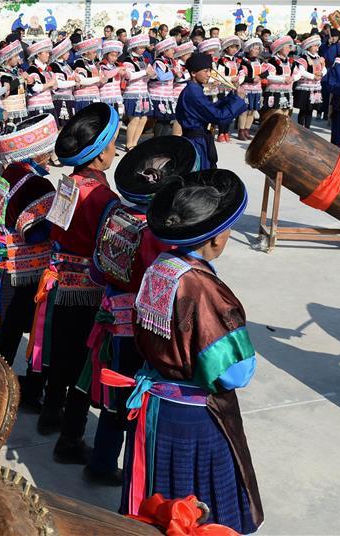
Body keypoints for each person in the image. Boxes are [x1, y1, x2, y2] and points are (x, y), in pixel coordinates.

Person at [110, 168, 264, 534]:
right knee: (199, 508)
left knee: (160, 498)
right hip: (195, 418)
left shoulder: (159, 268)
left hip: (157, 409)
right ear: (214, 240)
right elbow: (235, 372)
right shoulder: (204, 288)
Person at [77, 136, 196, 485]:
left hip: (111, 313)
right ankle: (130, 476)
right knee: (133, 402)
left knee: (115, 399)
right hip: (139, 328)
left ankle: (100, 461)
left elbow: (98, 268)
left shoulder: (115, 213)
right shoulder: (156, 231)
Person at [30, 103, 119, 465]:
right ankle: (70, 437)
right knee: (85, 364)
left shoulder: (67, 184)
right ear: (100, 154)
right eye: (113, 142)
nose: (116, 148)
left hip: (60, 280)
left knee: (61, 351)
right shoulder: (105, 198)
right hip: (90, 288)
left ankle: (51, 412)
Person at [0, 114, 57, 412]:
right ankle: (30, 389)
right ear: (34, 153)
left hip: (8, 264)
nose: (49, 157)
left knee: (11, 328)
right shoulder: (36, 184)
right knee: (36, 330)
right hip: (30, 268)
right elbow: (35, 230)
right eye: (46, 151)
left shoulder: (10, 171)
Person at [175, 53, 246, 169]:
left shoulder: (195, 89)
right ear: (193, 73)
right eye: (205, 71)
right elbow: (218, 117)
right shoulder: (193, 93)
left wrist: (233, 97)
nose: (209, 75)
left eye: (209, 71)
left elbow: (211, 108)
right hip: (196, 143)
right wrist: (238, 100)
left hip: (199, 139)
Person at [123, 34, 155, 150]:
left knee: (144, 118)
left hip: (144, 92)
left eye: (143, 47)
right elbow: (130, 76)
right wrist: (145, 72)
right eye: (140, 47)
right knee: (135, 118)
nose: (143, 50)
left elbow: (150, 74)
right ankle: (129, 143)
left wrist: (151, 75)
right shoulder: (127, 60)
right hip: (132, 92)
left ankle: (135, 143)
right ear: (134, 47)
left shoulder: (145, 59)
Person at [260, 35, 296, 122]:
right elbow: (268, 76)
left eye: (289, 47)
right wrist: (283, 79)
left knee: (285, 114)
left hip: (287, 91)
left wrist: (293, 78)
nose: (289, 49)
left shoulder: (290, 62)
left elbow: (297, 72)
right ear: (280, 48)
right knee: (275, 114)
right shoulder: (272, 61)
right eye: (287, 47)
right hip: (274, 92)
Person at [294, 34, 325, 130]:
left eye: (317, 46)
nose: (317, 48)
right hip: (305, 86)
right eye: (315, 46)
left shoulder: (319, 57)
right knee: (303, 110)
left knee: (310, 110)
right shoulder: (303, 58)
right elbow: (302, 71)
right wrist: (313, 76)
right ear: (309, 47)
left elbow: (324, 69)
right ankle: (300, 129)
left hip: (315, 87)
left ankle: (307, 129)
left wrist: (321, 74)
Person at [214, 36, 242, 142]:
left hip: (234, 88)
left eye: (236, 47)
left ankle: (227, 131)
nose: (234, 50)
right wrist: (231, 79)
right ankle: (221, 132)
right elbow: (219, 75)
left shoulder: (237, 60)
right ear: (226, 48)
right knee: (224, 110)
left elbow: (241, 73)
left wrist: (239, 79)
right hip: (223, 88)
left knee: (231, 110)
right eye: (232, 47)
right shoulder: (221, 60)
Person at [237, 37, 263, 140]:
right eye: (255, 49)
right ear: (249, 49)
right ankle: (241, 130)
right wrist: (252, 80)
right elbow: (242, 75)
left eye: (258, 49)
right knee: (245, 110)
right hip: (246, 88)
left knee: (252, 110)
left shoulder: (259, 60)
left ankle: (247, 129)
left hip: (257, 88)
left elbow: (266, 72)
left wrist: (261, 77)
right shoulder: (243, 61)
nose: (257, 51)